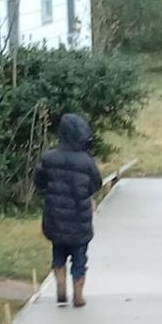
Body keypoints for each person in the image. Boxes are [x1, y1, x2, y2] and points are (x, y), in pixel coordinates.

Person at [34, 111, 105, 307]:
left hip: (55, 217)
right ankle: (79, 294)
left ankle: (60, 289)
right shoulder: (86, 161)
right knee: (80, 257)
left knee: (58, 253)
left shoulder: (49, 158)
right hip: (79, 219)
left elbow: (39, 180)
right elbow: (96, 184)